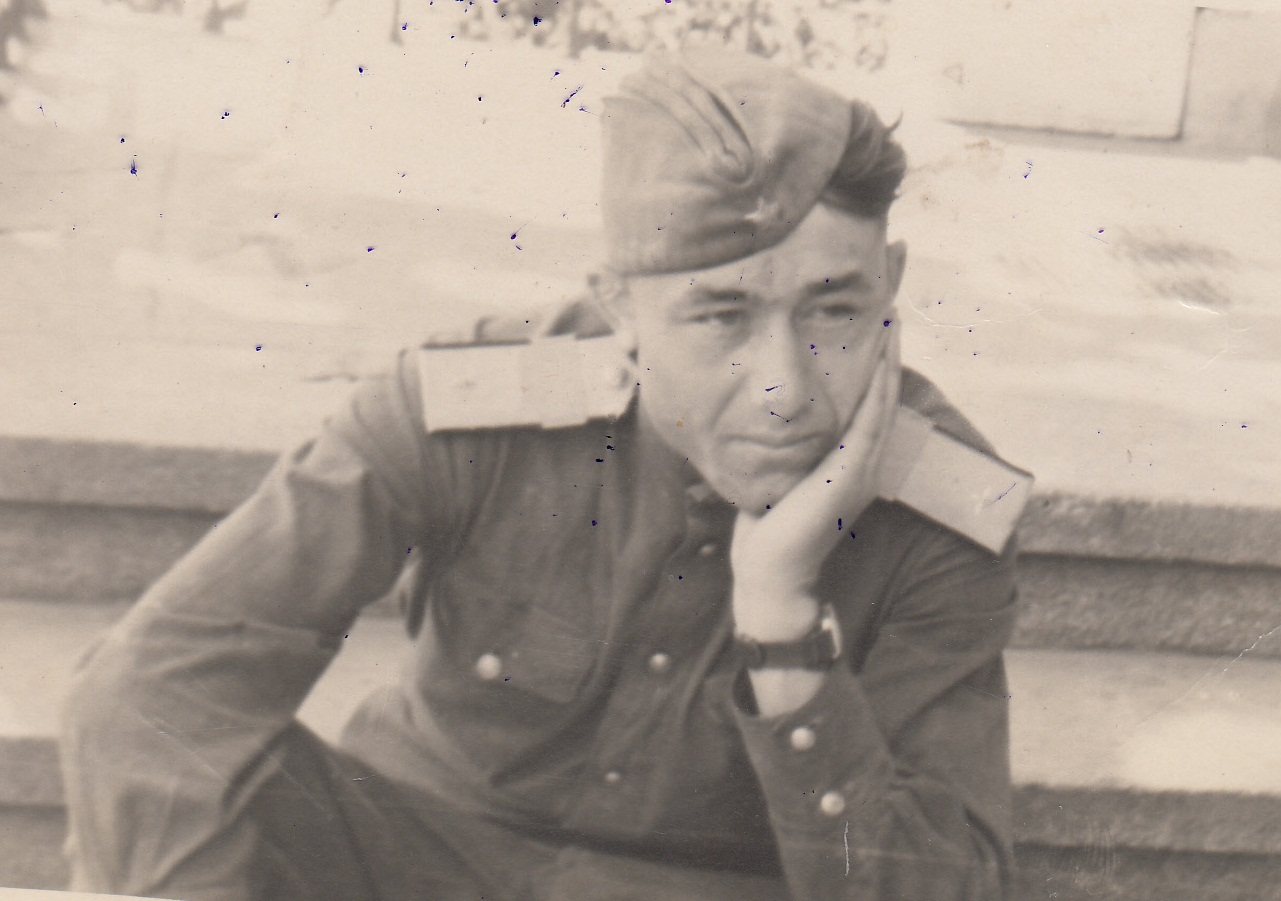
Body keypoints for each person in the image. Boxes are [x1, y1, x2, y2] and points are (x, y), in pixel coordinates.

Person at [60, 48, 1027, 900]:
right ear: (618, 309)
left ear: (890, 283)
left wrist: (782, 627)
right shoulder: (472, 414)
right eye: (720, 317)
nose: (783, 388)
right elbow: (146, 691)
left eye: (833, 310)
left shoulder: (938, 511)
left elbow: (945, 889)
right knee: (198, 764)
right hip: (404, 857)